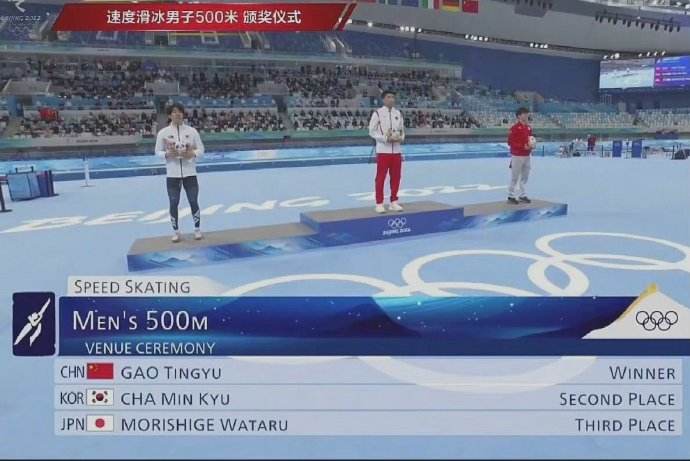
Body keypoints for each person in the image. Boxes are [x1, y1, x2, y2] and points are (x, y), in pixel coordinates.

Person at [155, 102, 205, 242]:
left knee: (193, 201)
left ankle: (197, 229)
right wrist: (167, 154)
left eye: (179, 111)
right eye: (174, 112)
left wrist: (192, 154)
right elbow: (157, 151)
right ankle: (176, 231)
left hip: (190, 173)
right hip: (172, 174)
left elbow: (201, 150)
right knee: (173, 202)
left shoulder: (192, 131)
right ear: (169, 115)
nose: (177, 114)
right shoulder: (163, 133)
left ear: (183, 114)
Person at [368, 90, 406, 213]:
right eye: (389, 97)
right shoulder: (377, 113)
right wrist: (384, 138)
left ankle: (393, 202)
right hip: (383, 151)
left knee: (396, 177)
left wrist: (401, 138)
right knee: (381, 178)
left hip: (397, 151)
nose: (391, 99)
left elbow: (402, 130)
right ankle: (379, 203)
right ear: (383, 99)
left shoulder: (398, 113)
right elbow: (372, 131)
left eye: (393, 97)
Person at [506, 107, 533, 204]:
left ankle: (522, 195)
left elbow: (530, 140)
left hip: (527, 155)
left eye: (527, 113)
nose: (526, 115)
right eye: (524, 114)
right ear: (519, 116)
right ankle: (511, 195)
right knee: (515, 176)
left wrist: (532, 146)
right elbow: (510, 142)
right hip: (517, 155)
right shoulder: (514, 128)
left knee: (525, 176)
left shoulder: (529, 128)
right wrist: (522, 146)